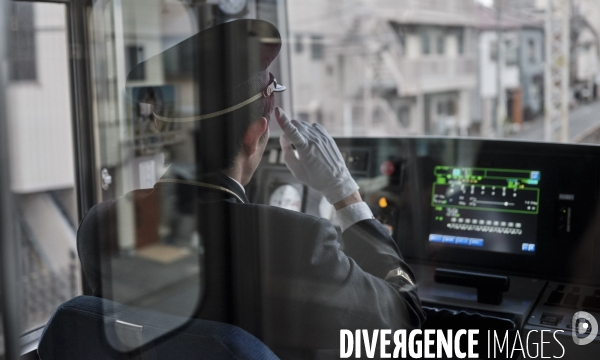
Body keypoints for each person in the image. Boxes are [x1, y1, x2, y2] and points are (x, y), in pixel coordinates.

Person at [77, 20, 424, 359]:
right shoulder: (297, 243)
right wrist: (344, 191)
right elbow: (407, 320)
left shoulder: (102, 224)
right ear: (256, 133)